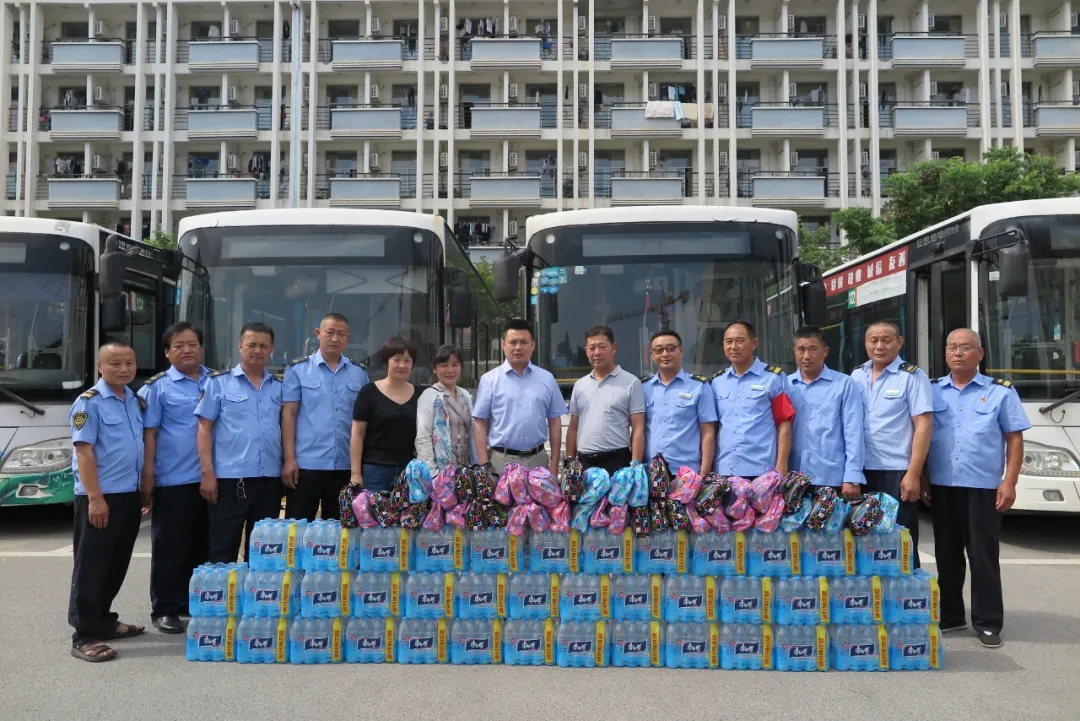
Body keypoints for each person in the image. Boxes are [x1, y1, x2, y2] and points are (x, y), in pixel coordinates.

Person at [924, 328, 1030, 649]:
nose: (957, 353)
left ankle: (988, 622)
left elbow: (1014, 439)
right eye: (952, 347)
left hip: (983, 487)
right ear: (945, 354)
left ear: (980, 354)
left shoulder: (1000, 392)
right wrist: (923, 477)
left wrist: (1009, 482)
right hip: (942, 485)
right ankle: (951, 615)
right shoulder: (932, 390)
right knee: (946, 555)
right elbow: (922, 436)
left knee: (983, 556)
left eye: (965, 347)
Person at [68, 342, 146, 662]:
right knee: (92, 566)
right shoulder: (89, 403)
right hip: (101, 495)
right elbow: (83, 453)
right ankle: (84, 635)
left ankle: (104, 621)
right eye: (115, 363)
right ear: (100, 367)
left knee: (116, 563)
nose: (124, 369)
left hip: (128, 494)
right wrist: (95, 498)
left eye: (129, 362)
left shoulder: (135, 400)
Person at [138, 322, 210, 635]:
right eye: (178, 345)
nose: (187, 350)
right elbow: (149, 434)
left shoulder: (218, 381)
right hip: (173, 479)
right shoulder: (157, 388)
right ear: (167, 353)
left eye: (192, 344)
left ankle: (191, 601)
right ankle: (164, 608)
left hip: (211, 478)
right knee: (170, 547)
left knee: (203, 545)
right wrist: (148, 476)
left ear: (202, 348)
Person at [195, 322, 285, 563]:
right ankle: (224, 590)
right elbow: (204, 428)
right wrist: (207, 473)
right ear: (240, 346)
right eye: (252, 344)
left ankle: (255, 589)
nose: (257, 350)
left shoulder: (279, 387)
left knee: (263, 552)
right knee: (223, 549)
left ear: (271, 350)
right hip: (230, 480)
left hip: (269, 480)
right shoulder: (218, 383)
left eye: (263, 346)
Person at [850, 321, 932, 566]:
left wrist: (913, 474)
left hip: (896, 472)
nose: (879, 346)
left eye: (886, 340)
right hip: (861, 471)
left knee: (899, 541)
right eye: (873, 340)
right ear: (865, 344)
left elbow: (924, 426)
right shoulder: (856, 375)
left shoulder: (912, 376)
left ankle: (904, 587)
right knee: (862, 541)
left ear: (899, 342)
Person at [281, 313, 370, 521]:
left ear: (348, 338)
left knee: (341, 532)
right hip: (306, 467)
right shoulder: (298, 370)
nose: (335, 339)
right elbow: (288, 416)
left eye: (341, 334)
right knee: (298, 529)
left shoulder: (359, 373)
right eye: (330, 332)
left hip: (346, 468)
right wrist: (289, 459)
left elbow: (363, 422)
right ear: (318, 333)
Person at [473, 319, 566, 475]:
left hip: (538, 460)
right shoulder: (489, 380)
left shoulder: (547, 379)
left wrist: (554, 463)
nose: (518, 347)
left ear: (533, 346)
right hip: (501, 461)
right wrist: (484, 463)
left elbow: (555, 422)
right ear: (503, 345)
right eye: (513, 342)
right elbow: (480, 422)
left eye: (523, 342)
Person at [786, 326, 866, 496]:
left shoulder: (844, 384)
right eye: (801, 349)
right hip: (792, 477)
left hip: (830, 477)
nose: (806, 356)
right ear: (794, 351)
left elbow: (853, 432)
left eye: (813, 349)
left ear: (825, 352)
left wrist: (852, 476)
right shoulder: (785, 385)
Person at [711, 320, 795, 478]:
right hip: (724, 469)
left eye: (740, 341)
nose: (733, 347)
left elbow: (784, 423)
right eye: (728, 342)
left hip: (761, 471)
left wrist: (782, 463)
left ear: (754, 343)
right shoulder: (717, 381)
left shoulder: (773, 378)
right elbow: (712, 427)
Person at [565, 325, 646, 474]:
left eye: (602, 347)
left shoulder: (631, 383)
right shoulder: (580, 385)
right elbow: (573, 427)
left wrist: (635, 465)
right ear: (586, 351)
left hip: (617, 461)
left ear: (613, 348)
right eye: (592, 348)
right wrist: (569, 461)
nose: (597, 353)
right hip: (584, 463)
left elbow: (638, 428)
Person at [350, 336, 425, 491]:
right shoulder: (369, 392)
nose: (402, 365)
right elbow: (357, 434)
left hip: (410, 471)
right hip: (375, 472)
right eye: (396, 359)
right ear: (386, 361)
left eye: (407, 360)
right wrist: (355, 473)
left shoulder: (420, 395)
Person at [640, 329, 717, 476]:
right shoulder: (643, 388)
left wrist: (703, 474)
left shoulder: (698, 386)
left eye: (670, 349)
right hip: (650, 473)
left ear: (681, 351)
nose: (665, 354)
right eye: (659, 350)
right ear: (652, 355)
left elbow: (708, 432)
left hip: (686, 473)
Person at [416, 344, 477, 473]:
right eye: (444, 365)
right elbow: (423, 437)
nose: (450, 370)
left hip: (465, 471)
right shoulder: (429, 396)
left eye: (455, 365)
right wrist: (432, 474)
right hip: (441, 473)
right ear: (434, 368)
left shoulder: (466, 396)